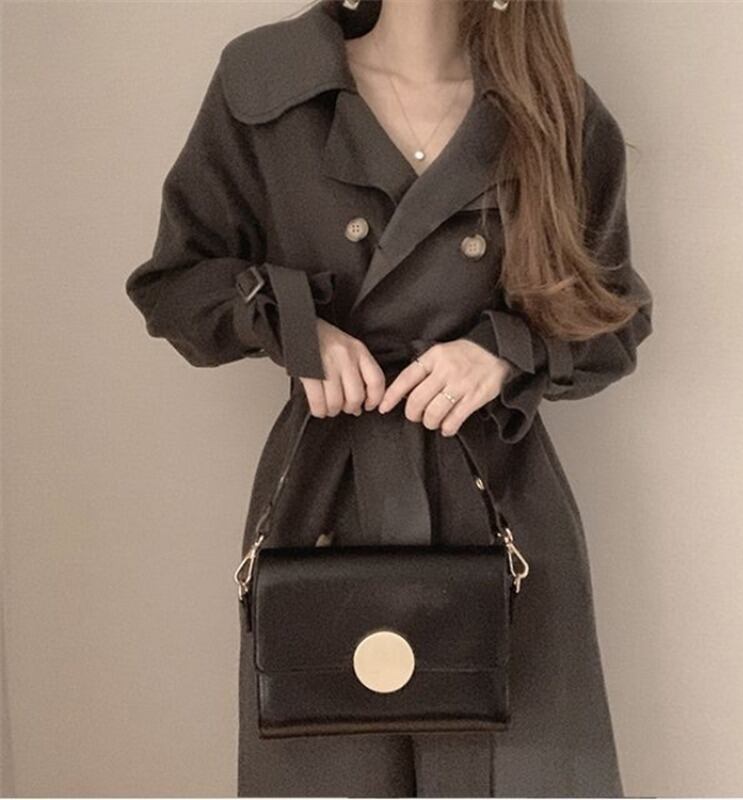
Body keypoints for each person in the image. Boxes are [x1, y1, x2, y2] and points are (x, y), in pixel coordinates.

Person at [124, 0, 654, 796]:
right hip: (326, 503)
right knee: (329, 766)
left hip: (500, 508)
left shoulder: (553, 107)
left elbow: (615, 318)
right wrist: (293, 324)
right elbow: (175, 283)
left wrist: (504, 353)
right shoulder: (269, 84)